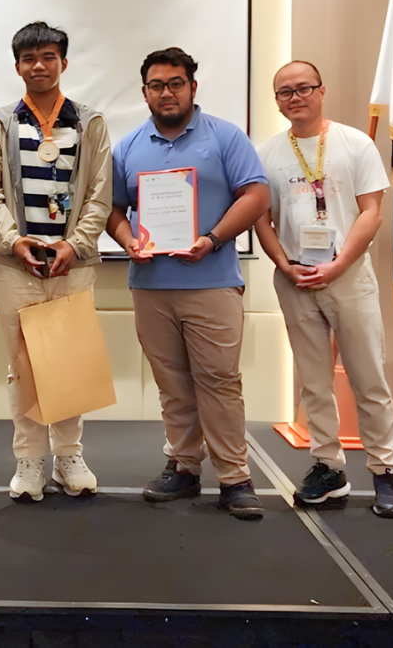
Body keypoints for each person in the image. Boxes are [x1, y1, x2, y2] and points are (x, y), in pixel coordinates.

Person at [107, 47, 270, 520]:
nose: (167, 93)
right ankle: (183, 466)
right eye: (157, 86)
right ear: (145, 93)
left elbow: (256, 194)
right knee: (172, 382)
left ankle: (235, 476)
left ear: (192, 87)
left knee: (219, 380)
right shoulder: (129, 146)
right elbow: (114, 211)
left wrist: (214, 238)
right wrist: (127, 241)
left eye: (175, 83)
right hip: (151, 284)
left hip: (212, 280)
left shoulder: (225, 137)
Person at [253, 61, 393, 518]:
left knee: (369, 378)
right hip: (296, 278)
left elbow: (371, 213)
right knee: (314, 382)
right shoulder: (267, 154)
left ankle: (386, 471)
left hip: (348, 275)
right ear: (277, 101)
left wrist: (339, 265)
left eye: (303, 88)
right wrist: (284, 265)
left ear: (323, 91)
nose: (295, 97)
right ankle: (328, 467)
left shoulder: (354, 144)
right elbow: (262, 219)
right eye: (285, 92)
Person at [0, 21, 112, 501]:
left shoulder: (89, 122)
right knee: (23, 364)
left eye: (48, 57)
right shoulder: (0, 124)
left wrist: (74, 244)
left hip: (71, 263)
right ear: (17, 66)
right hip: (18, 265)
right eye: (29, 58)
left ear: (63, 63)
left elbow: (99, 193)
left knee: (70, 361)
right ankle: (29, 461)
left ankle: (68, 456)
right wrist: (14, 241)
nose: (39, 65)